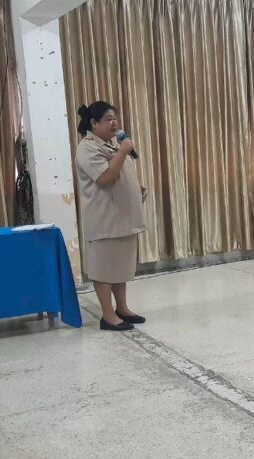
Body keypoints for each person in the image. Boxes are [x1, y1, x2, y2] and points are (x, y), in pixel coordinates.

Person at [75, 101, 149, 331]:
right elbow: (104, 178)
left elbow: (119, 173)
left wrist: (135, 189)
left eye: (115, 118)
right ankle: (108, 316)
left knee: (120, 266)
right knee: (104, 270)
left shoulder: (112, 144)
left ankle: (122, 308)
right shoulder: (87, 148)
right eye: (108, 119)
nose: (114, 122)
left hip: (122, 218)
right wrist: (124, 151)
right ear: (94, 123)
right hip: (104, 220)